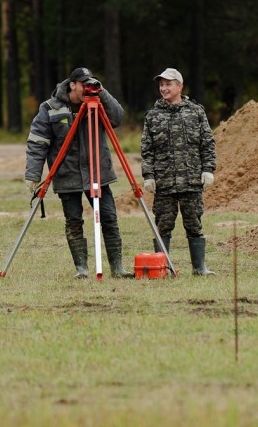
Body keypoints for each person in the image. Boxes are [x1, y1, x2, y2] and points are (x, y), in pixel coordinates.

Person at [25, 67, 134, 279]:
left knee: (109, 218)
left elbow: (118, 118)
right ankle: (81, 269)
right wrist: (33, 174)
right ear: (72, 84)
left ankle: (118, 268)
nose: (87, 88)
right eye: (84, 84)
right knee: (73, 221)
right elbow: (37, 142)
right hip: (67, 173)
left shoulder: (98, 103)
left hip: (97, 172)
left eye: (90, 83)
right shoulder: (50, 107)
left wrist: (102, 92)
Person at [140, 67, 217, 276]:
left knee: (194, 224)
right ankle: (161, 268)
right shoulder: (153, 116)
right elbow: (147, 150)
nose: (164, 88)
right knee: (163, 226)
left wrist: (208, 169)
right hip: (164, 182)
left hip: (191, 180)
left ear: (179, 86)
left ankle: (199, 268)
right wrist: (148, 176)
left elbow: (207, 143)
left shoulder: (196, 111)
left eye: (168, 84)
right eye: (161, 85)